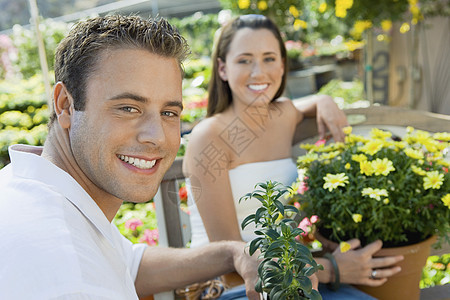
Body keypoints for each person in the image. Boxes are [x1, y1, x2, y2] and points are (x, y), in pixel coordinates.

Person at [0, 15, 271, 300]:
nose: (156, 136)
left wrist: (233, 253)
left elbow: (129, 265)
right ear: (66, 105)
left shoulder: (38, 189)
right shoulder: (67, 276)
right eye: (128, 108)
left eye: (169, 113)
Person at [183, 14, 404, 299]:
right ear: (223, 69)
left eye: (269, 58)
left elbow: (299, 106)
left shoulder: (282, 115)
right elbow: (229, 263)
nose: (258, 72)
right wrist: (331, 268)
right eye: (244, 60)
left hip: (295, 278)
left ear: (283, 65)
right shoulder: (209, 137)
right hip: (232, 286)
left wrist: (323, 100)